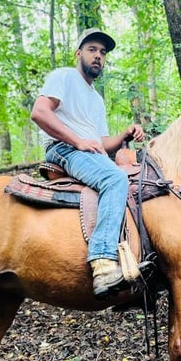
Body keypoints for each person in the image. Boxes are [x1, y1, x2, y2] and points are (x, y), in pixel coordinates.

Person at [31, 28, 145, 299]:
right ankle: (103, 262)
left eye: (103, 53)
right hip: (64, 150)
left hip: (87, 153)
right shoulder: (64, 77)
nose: (98, 56)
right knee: (114, 179)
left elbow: (102, 142)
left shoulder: (96, 99)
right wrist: (77, 140)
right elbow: (39, 112)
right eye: (92, 50)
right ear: (78, 53)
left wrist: (124, 135)